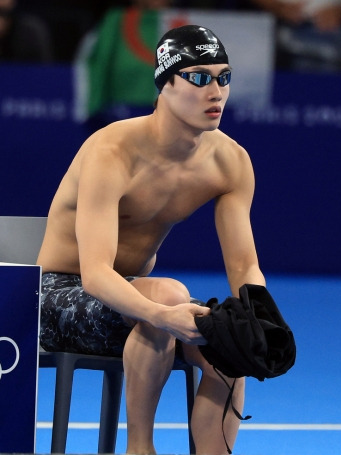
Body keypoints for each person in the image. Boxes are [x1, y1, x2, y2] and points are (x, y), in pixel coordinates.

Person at [37, 24, 265, 455]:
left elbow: (243, 267)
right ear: (164, 84)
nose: (215, 91)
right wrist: (162, 313)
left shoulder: (231, 162)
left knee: (231, 340)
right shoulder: (112, 151)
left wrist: (258, 318)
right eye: (199, 78)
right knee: (169, 296)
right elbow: (97, 275)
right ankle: (140, 449)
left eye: (223, 77)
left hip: (136, 301)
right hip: (55, 293)